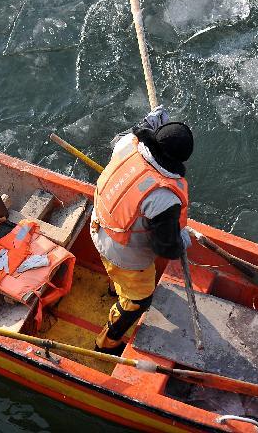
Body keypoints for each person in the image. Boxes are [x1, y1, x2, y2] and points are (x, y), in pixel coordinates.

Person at [90, 107, 194, 354]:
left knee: (120, 276)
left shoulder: (128, 144)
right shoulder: (163, 198)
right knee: (139, 300)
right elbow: (165, 248)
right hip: (122, 255)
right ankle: (107, 343)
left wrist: (149, 123)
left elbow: (131, 135)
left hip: (97, 224)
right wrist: (180, 240)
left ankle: (115, 288)